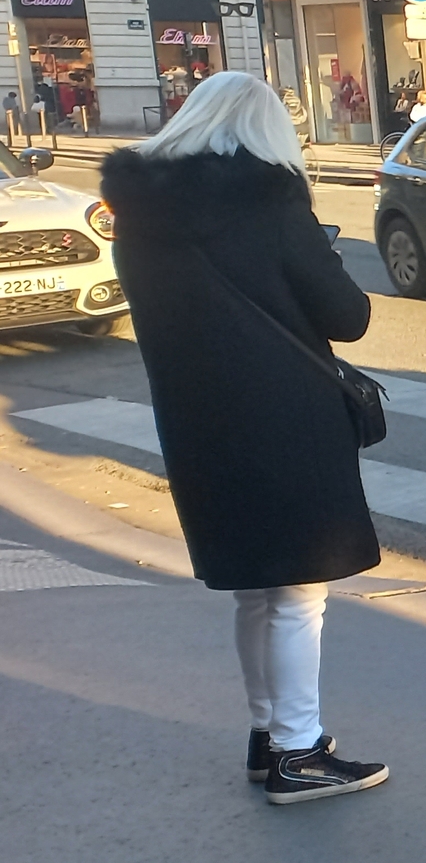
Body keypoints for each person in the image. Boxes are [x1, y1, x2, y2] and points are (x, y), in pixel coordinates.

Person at [97, 73, 388, 805]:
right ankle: (299, 750)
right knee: (299, 593)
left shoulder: (138, 211)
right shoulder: (270, 201)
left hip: (199, 421)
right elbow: (347, 315)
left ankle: (266, 733)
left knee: (257, 590)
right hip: (283, 417)